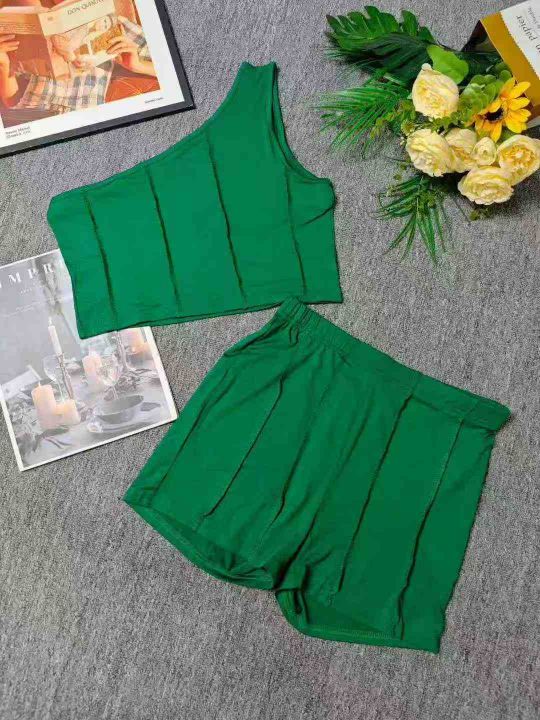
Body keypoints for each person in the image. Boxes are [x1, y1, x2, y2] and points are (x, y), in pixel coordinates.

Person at [0, 6, 156, 115]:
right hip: (30, 116)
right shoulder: (31, 27)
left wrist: (138, 65)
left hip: (83, 115)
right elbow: (11, 103)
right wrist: (3, 63)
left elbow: (167, 69)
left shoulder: (112, 23)